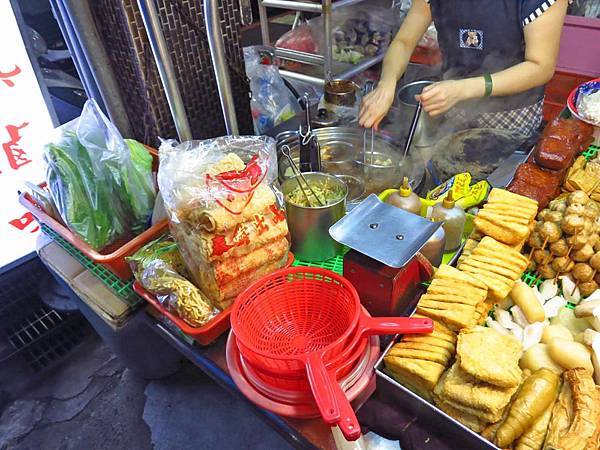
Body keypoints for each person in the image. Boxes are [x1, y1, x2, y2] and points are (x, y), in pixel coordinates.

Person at [359, 0, 570, 138]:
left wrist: (462, 89)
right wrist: (387, 84)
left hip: (512, 119)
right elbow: (404, 42)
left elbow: (540, 66)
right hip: (450, 112)